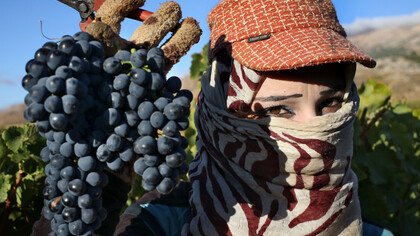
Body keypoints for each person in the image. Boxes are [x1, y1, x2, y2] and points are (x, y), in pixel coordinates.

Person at [32, 0, 393, 235]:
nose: (315, 130)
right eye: (278, 109)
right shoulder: (160, 223)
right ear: (223, 113)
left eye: (331, 104)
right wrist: (101, 178)